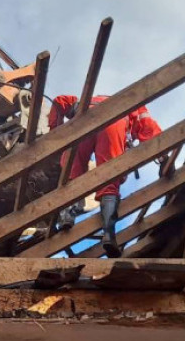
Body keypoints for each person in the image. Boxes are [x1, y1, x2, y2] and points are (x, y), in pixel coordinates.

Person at [48, 95, 162, 257]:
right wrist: (163, 158)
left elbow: (59, 101)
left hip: (82, 121)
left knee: (72, 173)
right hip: (115, 122)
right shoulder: (134, 105)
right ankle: (109, 235)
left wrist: (55, 132)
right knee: (109, 181)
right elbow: (148, 127)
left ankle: (68, 216)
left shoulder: (86, 99)